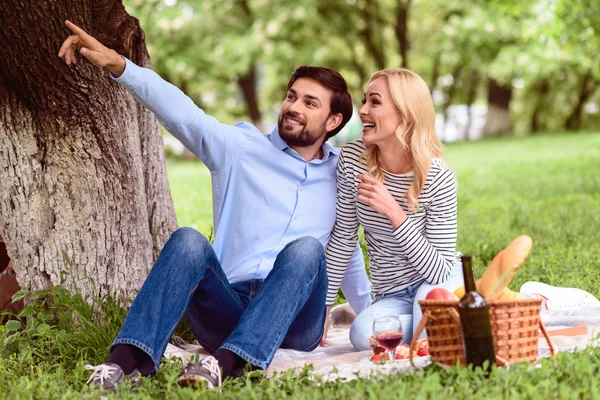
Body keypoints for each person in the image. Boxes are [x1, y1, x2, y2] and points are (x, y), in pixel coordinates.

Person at [58, 20, 371, 392]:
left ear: (333, 120)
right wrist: (120, 66)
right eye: (291, 96)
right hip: (227, 307)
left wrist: (371, 316)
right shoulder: (240, 148)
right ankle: (122, 364)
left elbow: (345, 247)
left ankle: (223, 365)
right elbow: (183, 113)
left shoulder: (342, 173)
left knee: (307, 249)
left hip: (294, 321)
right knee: (189, 239)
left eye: (309, 102)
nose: (293, 107)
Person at [323, 67, 464, 350]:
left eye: (375, 102)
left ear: (406, 114)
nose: (362, 110)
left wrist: (395, 213)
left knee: (426, 327)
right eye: (364, 100)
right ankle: (451, 322)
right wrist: (324, 305)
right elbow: (343, 236)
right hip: (392, 293)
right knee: (363, 334)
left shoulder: (437, 177)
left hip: (439, 282)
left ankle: (443, 319)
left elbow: (438, 271)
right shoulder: (353, 159)